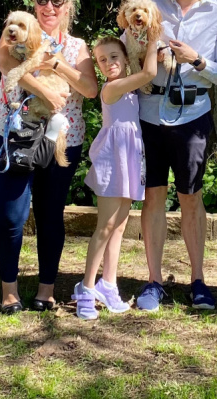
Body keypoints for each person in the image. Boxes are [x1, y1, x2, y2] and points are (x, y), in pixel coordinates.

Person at [134, 0, 217, 313]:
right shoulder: (149, 3)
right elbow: (128, 46)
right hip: (148, 110)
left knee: (191, 198)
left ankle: (198, 281)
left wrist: (197, 60)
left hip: (193, 115)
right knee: (153, 196)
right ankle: (154, 281)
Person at [0, 0, 98, 313]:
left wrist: (57, 64)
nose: (49, 6)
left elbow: (90, 89)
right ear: (34, 3)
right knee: (10, 215)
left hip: (61, 138)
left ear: (68, 7)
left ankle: (46, 289)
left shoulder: (78, 47)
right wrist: (47, 91)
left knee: (51, 215)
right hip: (12, 133)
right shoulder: (18, 31)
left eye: (57, 1)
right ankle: (9, 290)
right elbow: (7, 67)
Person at [72, 36, 157, 319]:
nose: (109, 63)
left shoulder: (131, 89)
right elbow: (150, 73)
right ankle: (85, 288)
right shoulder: (112, 89)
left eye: (114, 56)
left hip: (130, 159)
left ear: (125, 57)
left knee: (119, 226)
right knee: (105, 226)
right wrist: (155, 37)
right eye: (102, 60)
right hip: (112, 160)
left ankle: (108, 284)